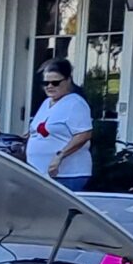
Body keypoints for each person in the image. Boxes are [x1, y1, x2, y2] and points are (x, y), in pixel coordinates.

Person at [27, 59, 96, 187]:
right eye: (45, 83)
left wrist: (60, 156)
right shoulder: (47, 102)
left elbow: (84, 134)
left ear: (68, 80)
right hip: (41, 173)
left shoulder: (75, 103)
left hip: (67, 175)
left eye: (55, 82)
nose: (50, 86)